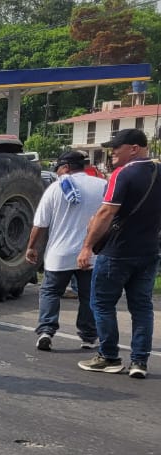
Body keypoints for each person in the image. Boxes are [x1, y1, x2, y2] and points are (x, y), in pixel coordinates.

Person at [77, 128, 161, 378]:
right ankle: (139, 362)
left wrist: (87, 246)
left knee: (101, 303)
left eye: (117, 147)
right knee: (142, 307)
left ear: (134, 148)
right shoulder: (159, 171)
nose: (112, 152)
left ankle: (109, 357)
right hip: (148, 252)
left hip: (117, 252)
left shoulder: (123, 174)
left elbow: (106, 213)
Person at [25, 150, 105, 352]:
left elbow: (40, 224)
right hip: (91, 254)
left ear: (66, 167)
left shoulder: (55, 188)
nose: (58, 173)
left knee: (50, 292)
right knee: (88, 296)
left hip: (59, 255)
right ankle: (88, 337)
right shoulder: (102, 186)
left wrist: (31, 247)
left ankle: (46, 331)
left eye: (58, 169)